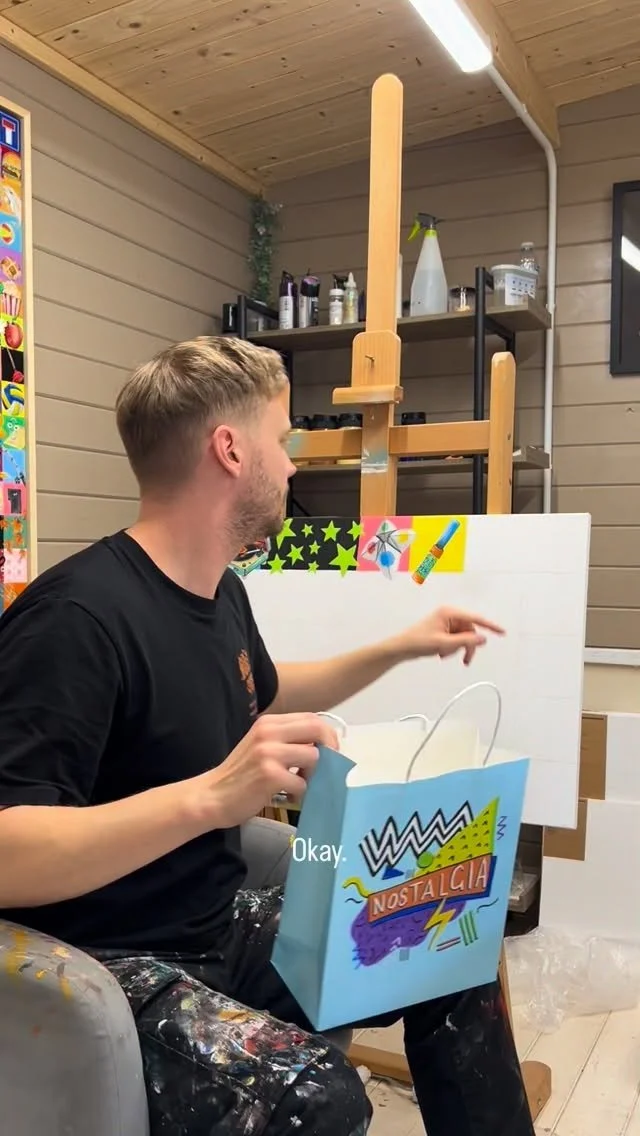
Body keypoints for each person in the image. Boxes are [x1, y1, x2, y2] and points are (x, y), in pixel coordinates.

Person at [0, 337, 533, 1136]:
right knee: (318, 1096)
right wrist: (213, 796)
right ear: (230, 449)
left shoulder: (219, 595)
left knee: (451, 941)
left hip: (215, 923)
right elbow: (7, 849)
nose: (290, 466)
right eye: (281, 441)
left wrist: (402, 645)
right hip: (107, 964)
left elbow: (268, 691)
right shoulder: (74, 621)